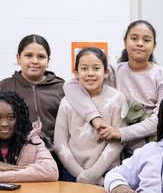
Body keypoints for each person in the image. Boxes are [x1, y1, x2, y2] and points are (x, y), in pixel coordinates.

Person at [61, 20, 163, 153]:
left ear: (154, 46)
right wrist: (95, 118)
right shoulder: (112, 72)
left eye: (146, 40)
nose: (139, 43)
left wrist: (121, 133)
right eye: (134, 38)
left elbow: (160, 118)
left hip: (153, 148)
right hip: (116, 149)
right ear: (125, 42)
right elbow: (70, 85)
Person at [54, 47, 127, 185]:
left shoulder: (117, 98)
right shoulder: (66, 102)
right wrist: (81, 175)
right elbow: (60, 143)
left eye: (96, 68)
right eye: (84, 69)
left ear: (105, 72)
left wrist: (94, 175)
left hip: (107, 171)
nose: (90, 73)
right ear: (75, 73)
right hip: (72, 172)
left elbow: (118, 141)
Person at [0, 33, 65, 149]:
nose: (35, 61)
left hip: (54, 155)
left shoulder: (61, 87)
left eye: (41, 57)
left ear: (48, 60)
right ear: (18, 58)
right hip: (16, 153)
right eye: (28, 55)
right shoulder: (5, 86)